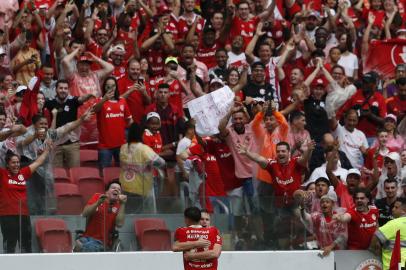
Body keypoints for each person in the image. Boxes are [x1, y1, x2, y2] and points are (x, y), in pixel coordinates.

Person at [0, 143, 51, 253]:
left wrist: (47, 151)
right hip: (7, 216)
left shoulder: (23, 174)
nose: (16, 165)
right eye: (13, 162)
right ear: (7, 165)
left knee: (26, 246)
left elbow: (38, 162)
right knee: (10, 247)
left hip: (23, 215)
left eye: (18, 162)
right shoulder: (2, 174)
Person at [119, 123, 166, 213]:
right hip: (142, 185)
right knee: (146, 214)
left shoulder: (123, 148)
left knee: (129, 213)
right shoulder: (144, 148)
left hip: (126, 185)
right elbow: (161, 162)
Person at [74, 181, 127, 252]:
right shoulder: (97, 197)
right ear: (107, 192)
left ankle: (81, 247)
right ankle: (82, 246)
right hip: (86, 238)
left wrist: (123, 204)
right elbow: (84, 213)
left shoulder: (119, 205)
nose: (116, 190)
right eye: (113, 188)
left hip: (102, 242)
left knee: (89, 247)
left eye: (119, 189)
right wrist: (98, 203)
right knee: (86, 244)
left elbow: (119, 224)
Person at [93, 77, 133, 170]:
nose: (111, 88)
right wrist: (104, 99)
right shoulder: (100, 100)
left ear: (116, 87)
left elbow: (130, 120)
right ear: (104, 87)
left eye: (113, 86)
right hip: (105, 146)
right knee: (104, 174)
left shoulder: (122, 101)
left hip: (121, 145)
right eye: (108, 86)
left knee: (124, 174)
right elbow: (94, 110)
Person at [300, 188, 348, 257]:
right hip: (322, 251)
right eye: (322, 202)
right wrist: (302, 208)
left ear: (333, 204)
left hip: (338, 253)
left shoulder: (339, 217)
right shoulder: (317, 217)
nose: (324, 204)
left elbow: (342, 236)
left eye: (327, 202)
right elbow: (306, 218)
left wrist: (330, 247)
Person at [370, 198, 406, 269]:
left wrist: (375, 249)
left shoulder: (395, 223)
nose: (393, 209)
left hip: (394, 265)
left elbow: (376, 237)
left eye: (396, 207)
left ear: (404, 211)